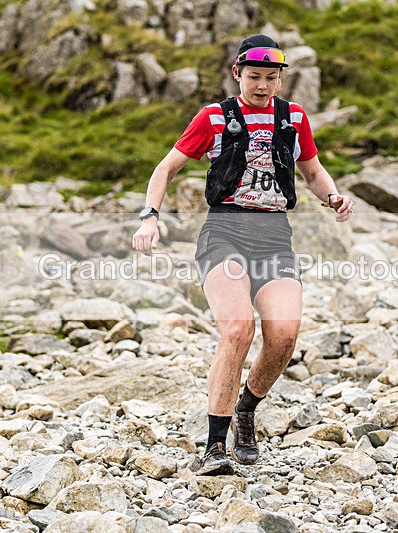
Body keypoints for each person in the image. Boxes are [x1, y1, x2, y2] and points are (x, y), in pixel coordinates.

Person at [132, 34, 353, 475]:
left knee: (285, 334)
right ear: (237, 73)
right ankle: (214, 446)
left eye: (271, 78)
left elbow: (311, 171)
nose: (262, 86)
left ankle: (247, 410)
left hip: (274, 237)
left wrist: (333, 197)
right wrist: (149, 216)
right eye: (254, 77)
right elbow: (166, 167)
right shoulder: (214, 118)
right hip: (225, 232)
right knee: (237, 329)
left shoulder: (293, 118)